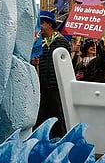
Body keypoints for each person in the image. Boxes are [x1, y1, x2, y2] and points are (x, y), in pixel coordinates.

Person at [31, 10, 71, 139]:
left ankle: (59, 142)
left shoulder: (62, 42)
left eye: (41, 23)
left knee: (59, 117)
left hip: (57, 87)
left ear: (49, 24)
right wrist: (33, 61)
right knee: (40, 118)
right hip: (42, 86)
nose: (39, 27)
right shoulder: (38, 43)